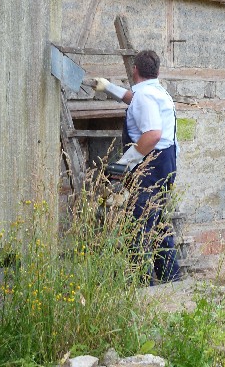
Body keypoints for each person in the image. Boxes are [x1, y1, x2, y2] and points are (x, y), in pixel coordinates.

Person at [94, 50, 182, 284]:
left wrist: (124, 164)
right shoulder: (157, 92)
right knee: (158, 221)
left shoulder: (144, 96)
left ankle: (142, 284)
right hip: (166, 161)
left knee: (139, 225)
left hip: (150, 164)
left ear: (135, 70)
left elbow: (152, 134)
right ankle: (171, 278)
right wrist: (108, 87)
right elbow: (134, 99)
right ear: (157, 71)